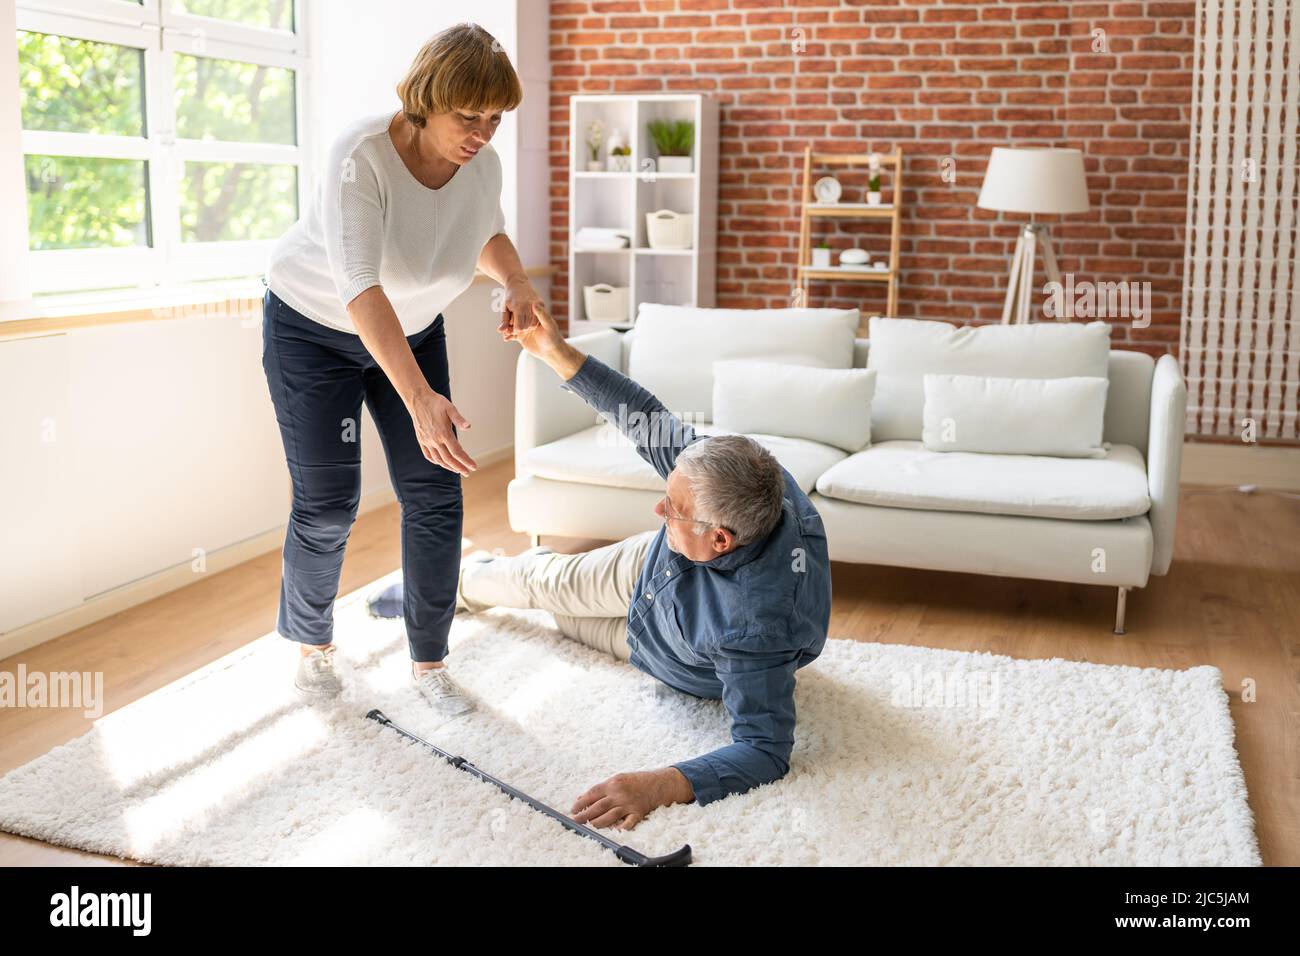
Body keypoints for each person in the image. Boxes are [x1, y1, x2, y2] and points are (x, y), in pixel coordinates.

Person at [372, 300, 833, 829]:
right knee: (541, 582)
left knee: (560, 624)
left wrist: (661, 784)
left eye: (674, 510)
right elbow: (641, 417)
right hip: (649, 568)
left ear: (721, 539)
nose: (659, 508)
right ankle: (449, 588)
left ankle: (508, 588)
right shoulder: (732, 474)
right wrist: (555, 350)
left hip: (667, 655)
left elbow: (765, 751)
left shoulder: (759, 627)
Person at [259, 23, 540, 714]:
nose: (482, 133)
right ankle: (313, 645)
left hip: (410, 329)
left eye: (496, 119)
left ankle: (430, 664)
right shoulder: (361, 155)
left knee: (437, 492)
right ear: (424, 99)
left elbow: (487, 231)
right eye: (467, 116)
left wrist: (517, 282)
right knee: (328, 505)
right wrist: (418, 398)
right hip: (313, 328)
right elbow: (359, 285)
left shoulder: (482, 165)